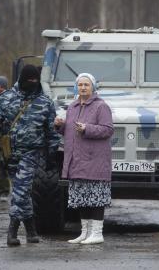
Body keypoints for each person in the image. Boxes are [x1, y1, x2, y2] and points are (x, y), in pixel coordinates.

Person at [0, 64, 60, 246]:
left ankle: (12, 230)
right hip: (9, 153)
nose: (32, 83)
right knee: (21, 191)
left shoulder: (44, 102)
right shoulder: (6, 98)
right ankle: (31, 231)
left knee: (21, 190)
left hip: (32, 153)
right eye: (29, 80)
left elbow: (51, 131)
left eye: (35, 81)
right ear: (22, 80)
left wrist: (52, 152)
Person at [54, 73, 114, 245]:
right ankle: (85, 233)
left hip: (95, 161)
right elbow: (71, 132)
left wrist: (87, 128)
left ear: (93, 87)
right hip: (77, 161)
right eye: (80, 85)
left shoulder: (101, 106)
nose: (83, 87)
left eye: (86, 85)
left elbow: (108, 130)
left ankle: (97, 233)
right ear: (76, 87)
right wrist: (60, 126)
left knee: (96, 198)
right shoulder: (72, 106)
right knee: (82, 198)